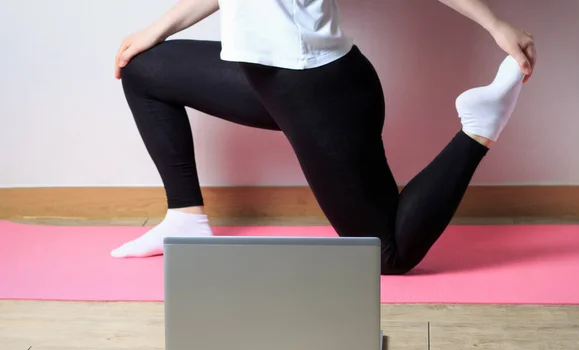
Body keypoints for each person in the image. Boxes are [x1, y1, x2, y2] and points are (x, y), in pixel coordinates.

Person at [111, 0, 536, 275]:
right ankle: (186, 220)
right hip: (266, 83)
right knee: (143, 69)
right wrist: (158, 28)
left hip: (322, 92)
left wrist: (495, 24)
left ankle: (478, 129)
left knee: (388, 256)